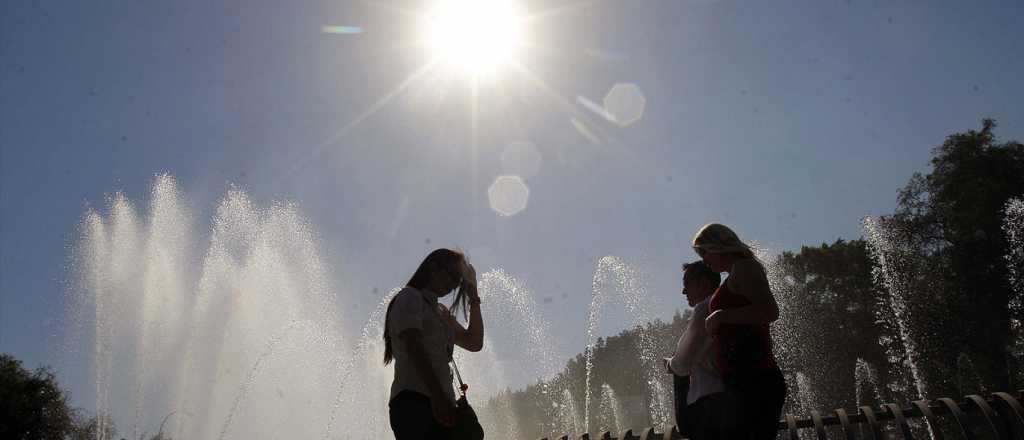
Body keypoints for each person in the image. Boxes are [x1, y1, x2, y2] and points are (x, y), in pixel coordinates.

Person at [693, 223, 787, 440]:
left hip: (755, 379)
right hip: (744, 379)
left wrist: (720, 316)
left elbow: (769, 311)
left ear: (719, 245)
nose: (704, 259)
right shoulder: (736, 273)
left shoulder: (745, 267)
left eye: (704, 251)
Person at [383, 249, 484, 440]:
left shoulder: (440, 311)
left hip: (440, 402)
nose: (454, 284)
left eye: (458, 281)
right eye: (452, 275)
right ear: (433, 268)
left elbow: (474, 342)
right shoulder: (409, 296)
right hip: (414, 402)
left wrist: (474, 297)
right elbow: (413, 346)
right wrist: (438, 397)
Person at [667, 261, 734, 440]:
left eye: (687, 283)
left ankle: (684, 430)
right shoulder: (726, 305)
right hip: (730, 396)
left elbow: (682, 363)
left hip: (709, 401)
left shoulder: (705, 307)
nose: (683, 291)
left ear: (704, 283)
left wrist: (670, 364)